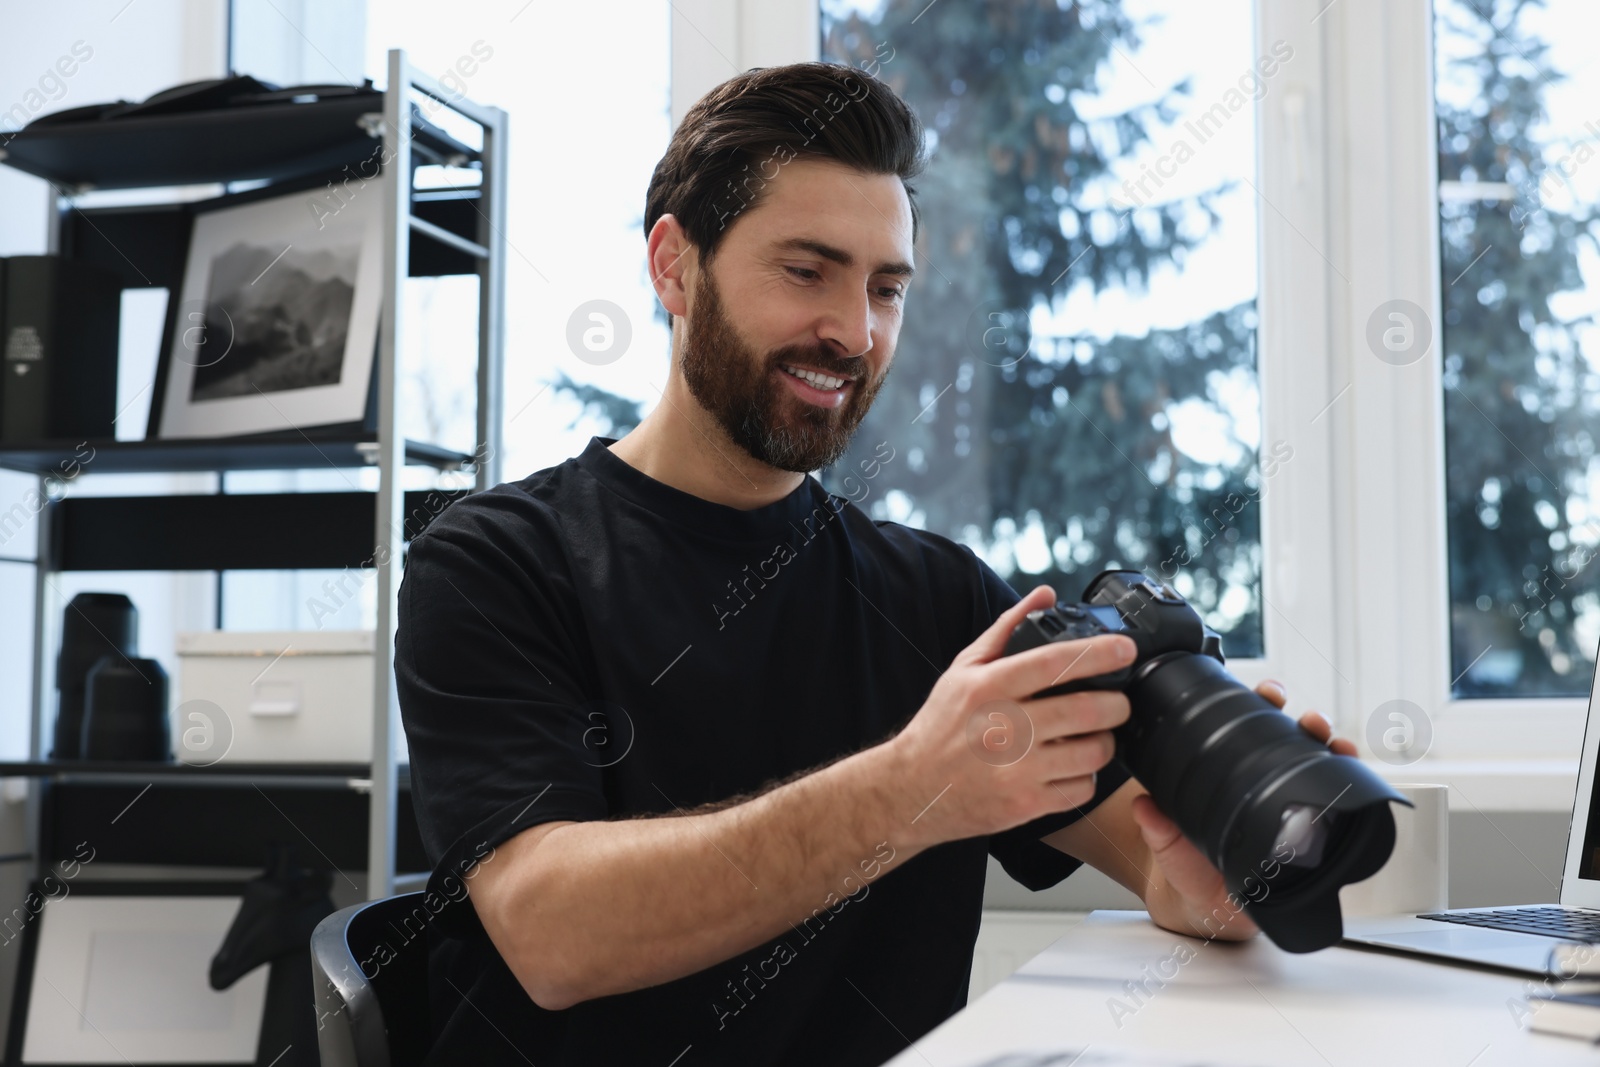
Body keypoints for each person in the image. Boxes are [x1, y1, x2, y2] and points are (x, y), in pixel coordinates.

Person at [394, 60, 1355, 1067]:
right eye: (806, 271)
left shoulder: (941, 598)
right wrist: (913, 787)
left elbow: (1153, 864)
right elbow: (552, 935)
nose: (853, 332)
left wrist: (1212, 885)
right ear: (675, 267)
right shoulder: (496, 562)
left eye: (884, 286)